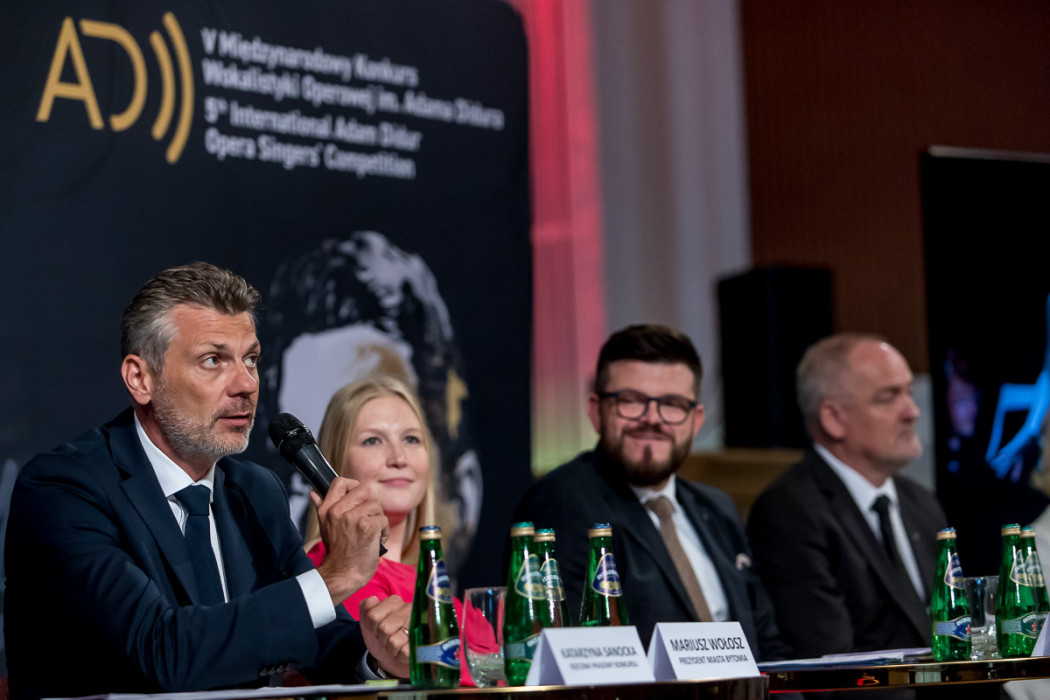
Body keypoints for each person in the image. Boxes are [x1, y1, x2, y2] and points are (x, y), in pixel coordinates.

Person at [3, 262, 392, 699]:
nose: (246, 384)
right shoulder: (64, 489)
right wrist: (336, 576)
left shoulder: (256, 491)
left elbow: (314, 632)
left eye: (251, 359)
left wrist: (377, 657)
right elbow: (161, 651)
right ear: (141, 379)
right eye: (213, 360)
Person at [513, 324, 790, 660]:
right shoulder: (561, 502)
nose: (652, 418)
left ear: (696, 420)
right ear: (596, 412)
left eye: (672, 404)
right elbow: (572, 655)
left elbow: (767, 645)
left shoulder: (717, 508)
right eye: (631, 401)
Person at [747, 333, 947, 658]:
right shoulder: (790, 512)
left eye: (909, 393)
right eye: (888, 397)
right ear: (834, 418)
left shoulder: (921, 503)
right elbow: (831, 664)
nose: (912, 411)